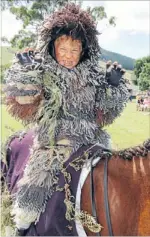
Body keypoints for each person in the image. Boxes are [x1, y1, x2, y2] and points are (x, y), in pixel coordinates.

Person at [2, 3, 129, 236]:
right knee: (36, 181)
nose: (69, 56)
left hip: (91, 139)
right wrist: (28, 74)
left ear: (84, 51)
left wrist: (111, 87)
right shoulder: (43, 71)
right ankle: (23, 227)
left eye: (75, 50)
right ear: (52, 47)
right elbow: (23, 103)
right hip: (53, 141)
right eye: (63, 49)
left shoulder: (93, 76)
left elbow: (106, 113)